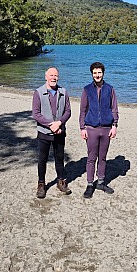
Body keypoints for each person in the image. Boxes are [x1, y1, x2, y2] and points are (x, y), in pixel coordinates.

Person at [79, 62, 119, 199]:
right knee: (91, 157)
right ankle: (90, 184)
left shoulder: (110, 89)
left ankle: (101, 182)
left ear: (103, 73)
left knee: (102, 157)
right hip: (91, 128)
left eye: (99, 72)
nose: (97, 75)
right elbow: (83, 110)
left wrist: (114, 125)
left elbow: (114, 108)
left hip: (106, 128)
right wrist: (82, 127)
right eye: (95, 73)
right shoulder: (87, 90)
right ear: (92, 74)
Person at [32, 66, 72, 199]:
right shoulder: (38, 92)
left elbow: (68, 112)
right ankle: (41, 184)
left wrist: (59, 123)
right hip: (44, 132)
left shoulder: (63, 92)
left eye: (55, 76)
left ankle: (61, 182)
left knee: (59, 158)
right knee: (42, 159)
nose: (53, 78)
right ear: (46, 77)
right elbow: (36, 114)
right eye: (51, 75)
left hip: (60, 131)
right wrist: (51, 125)